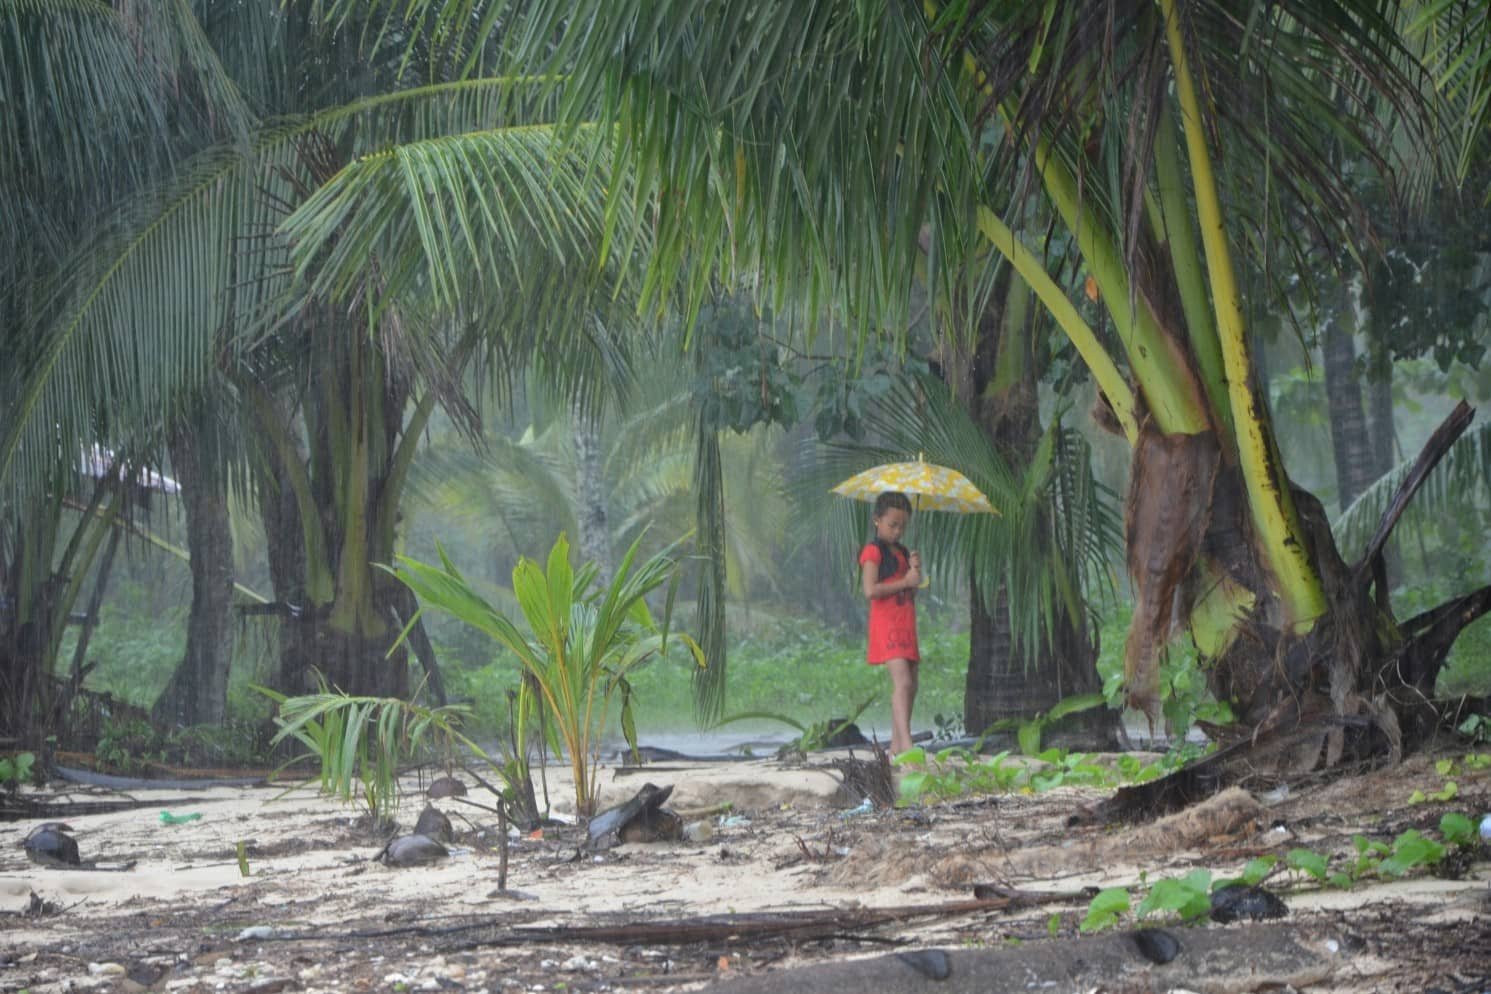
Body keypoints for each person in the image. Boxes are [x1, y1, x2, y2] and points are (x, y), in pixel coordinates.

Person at [858, 491, 922, 755]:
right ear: (877, 520)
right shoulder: (872, 551)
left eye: (902, 526)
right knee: (903, 683)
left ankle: (897, 745)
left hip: (905, 622)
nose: (897, 531)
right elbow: (870, 590)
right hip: (887, 624)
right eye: (892, 524)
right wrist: (905, 582)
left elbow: (910, 591)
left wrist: (915, 573)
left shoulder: (903, 552)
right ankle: (907, 745)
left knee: (913, 685)